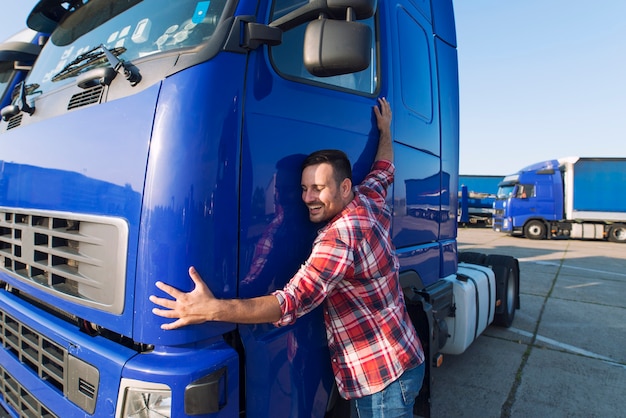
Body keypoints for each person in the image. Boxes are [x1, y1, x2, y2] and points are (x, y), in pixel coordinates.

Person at [150, 97, 425, 418]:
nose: (308, 198)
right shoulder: (368, 197)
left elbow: (290, 302)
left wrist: (211, 310)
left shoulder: (339, 237)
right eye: (304, 188)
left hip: (382, 378)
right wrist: (386, 129)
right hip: (403, 356)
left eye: (318, 188)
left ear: (344, 186)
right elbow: (384, 168)